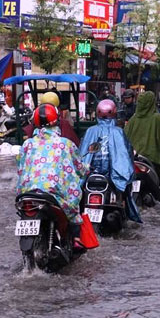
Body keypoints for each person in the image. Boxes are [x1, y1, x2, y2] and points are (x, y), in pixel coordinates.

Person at [16, 104, 88, 248]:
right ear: (57, 121)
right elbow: (79, 167)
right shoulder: (65, 144)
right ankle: (76, 239)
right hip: (54, 192)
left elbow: (20, 167)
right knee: (74, 199)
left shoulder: (27, 144)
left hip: (28, 192)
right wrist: (85, 171)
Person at [79, 100, 141, 223]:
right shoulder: (118, 132)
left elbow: (82, 153)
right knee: (125, 192)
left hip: (90, 176)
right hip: (113, 178)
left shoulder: (90, 131)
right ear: (114, 113)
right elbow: (126, 155)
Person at [124, 91, 160, 195]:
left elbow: (124, 138)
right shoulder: (158, 118)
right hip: (154, 159)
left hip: (133, 159)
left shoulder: (133, 120)